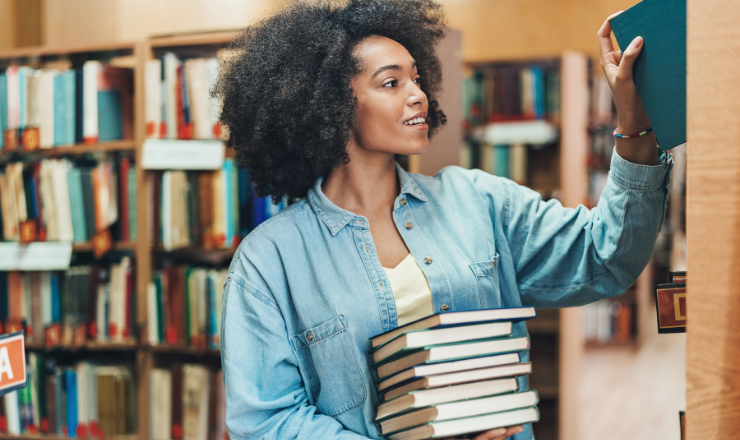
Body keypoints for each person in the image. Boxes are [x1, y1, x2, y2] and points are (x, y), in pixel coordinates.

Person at [214, 1, 672, 439]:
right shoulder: (268, 262)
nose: (419, 95)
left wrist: (634, 127)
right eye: (391, 83)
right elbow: (266, 423)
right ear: (331, 105)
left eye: (416, 78)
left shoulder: (477, 201)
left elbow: (605, 256)